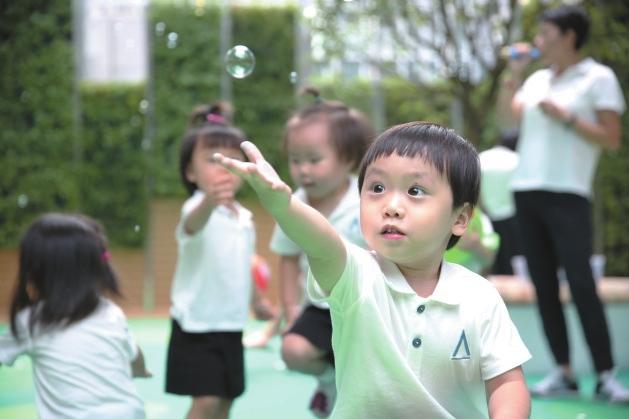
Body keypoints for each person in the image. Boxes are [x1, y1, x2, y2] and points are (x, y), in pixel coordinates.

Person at [215, 121, 531, 418]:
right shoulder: (356, 274)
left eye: (415, 191)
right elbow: (322, 243)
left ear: (460, 218)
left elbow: (506, 382)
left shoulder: (479, 296)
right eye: (377, 188)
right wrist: (283, 205)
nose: (391, 206)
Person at [499, 4, 629, 402]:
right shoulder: (536, 79)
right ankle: (564, 372)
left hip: (569, 194)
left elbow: (612, 138)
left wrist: (566, 117)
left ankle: (605, 374)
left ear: (569, 36)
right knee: (543, 285)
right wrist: (513, 74)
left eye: (546, 34)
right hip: (526, 191)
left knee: (582, 283)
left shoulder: (598, 77)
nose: (539, 41)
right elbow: (507, 120)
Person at [244, 88, 374, 417]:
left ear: (348, 159)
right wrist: (290, 309)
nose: (303, 170)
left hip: (366, 306)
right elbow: (288, 258)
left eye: (314, 160)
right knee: (293, 351)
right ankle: (329, 382)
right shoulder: (291, 202)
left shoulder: (367, 199)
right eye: (295, 160)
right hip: (320, 306)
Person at [0, 213, 149, 418]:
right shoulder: (109, 312)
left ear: (36, 271)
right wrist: (141, 370)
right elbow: (135, 356)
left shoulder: (33, 321)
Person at [165, 102, 256, 419]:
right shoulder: (195, 207)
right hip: (196, 324)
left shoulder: (244, 217)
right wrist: (209, 199)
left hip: (231, 323)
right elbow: (193, 224)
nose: (224, 167)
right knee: (205, 402)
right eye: (213, 160)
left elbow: (243, 265)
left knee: (227, 399)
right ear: (190, 172)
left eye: (232, 160)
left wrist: (258, 301)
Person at [478, 129, 522, 275]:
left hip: (488, 214)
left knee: (497, 257)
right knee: (516, 256)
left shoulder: (482, 158)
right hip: (513, 214)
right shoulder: (517, 159)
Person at [444, 207, 499, 277]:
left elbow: (490, 259)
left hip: (473, 273)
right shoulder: (438, 218)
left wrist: (476, 245)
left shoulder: (480, 217)